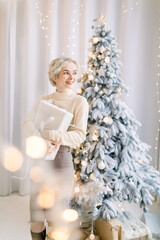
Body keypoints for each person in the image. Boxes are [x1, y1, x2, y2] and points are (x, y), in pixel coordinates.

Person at [22, 57, 89, 240]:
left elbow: (79, 136)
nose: (71, 77)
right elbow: (27, 123)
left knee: (59, 220)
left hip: (62, 162)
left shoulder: (79, 102)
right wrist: (40, 140)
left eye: (74, 73)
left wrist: (53, 135)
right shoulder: (44, 99)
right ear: (55, 75)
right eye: (66, 72)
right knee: (36, 218)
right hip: (40, 161)